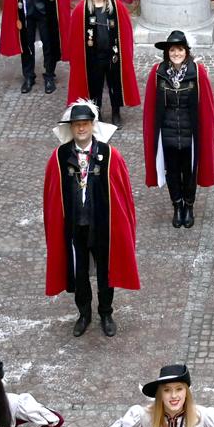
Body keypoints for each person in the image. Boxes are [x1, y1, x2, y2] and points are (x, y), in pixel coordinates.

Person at [43, 100, 142, 338]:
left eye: (85, 124)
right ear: (71, 127)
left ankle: (106, 313)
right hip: (75, 226)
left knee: (106, 271)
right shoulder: (59, 156)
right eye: (77, 125)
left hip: (102, 225)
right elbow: (52, 196)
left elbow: (122, 194)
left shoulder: (109, 155)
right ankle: (84, 313)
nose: (81, 129)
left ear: (92, 125)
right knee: (79, 271)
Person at [142, 29, 214, 230]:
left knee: (190, 173)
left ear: (186, 51)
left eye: (180, 49)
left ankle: (189, 206)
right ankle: (177, 206)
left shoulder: (198, 73)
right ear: (167, 52)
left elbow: (206, 108)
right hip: (167, 135)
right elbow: (150, 108)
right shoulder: (157, 73)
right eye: (172, 50)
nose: (176, 53)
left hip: (190, 135)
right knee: (172, 173)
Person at [63, 0, 140, 124]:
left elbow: (126, 33)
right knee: (94, 86)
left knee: (114, 84)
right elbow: (74, 37)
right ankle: (96, 112)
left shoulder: (117, 7)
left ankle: (116, 112)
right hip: (92, 57)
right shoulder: (81, 9)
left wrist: (125, 53)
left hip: (112, 55)